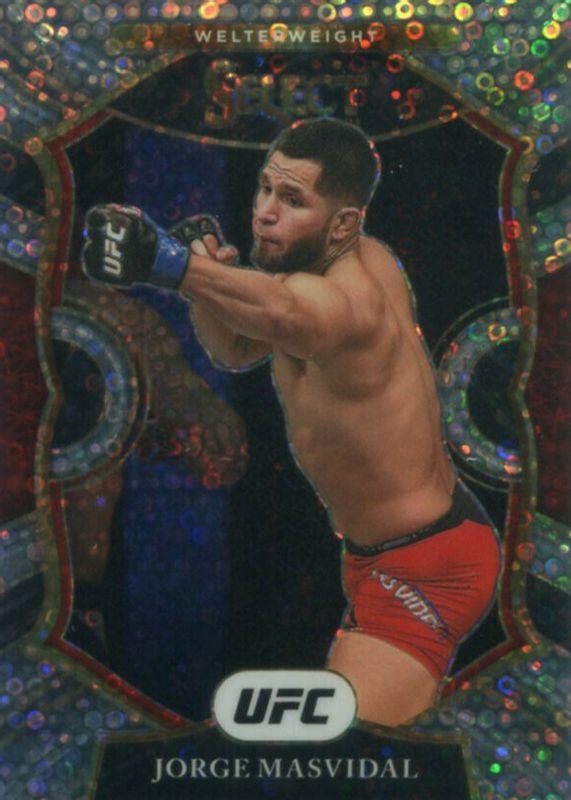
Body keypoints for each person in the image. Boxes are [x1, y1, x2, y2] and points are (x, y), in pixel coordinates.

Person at [82, 117, 501, 726]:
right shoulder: (330, 267)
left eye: (293, 200)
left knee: (331, 744)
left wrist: (169, 262)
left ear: (343, 223)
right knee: (345, 747)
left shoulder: (350, 301)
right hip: (383, 555)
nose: (264, 214)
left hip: (431, 571)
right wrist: (204, 279)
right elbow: (235, 347)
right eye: (265, 189)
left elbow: (284, 314)